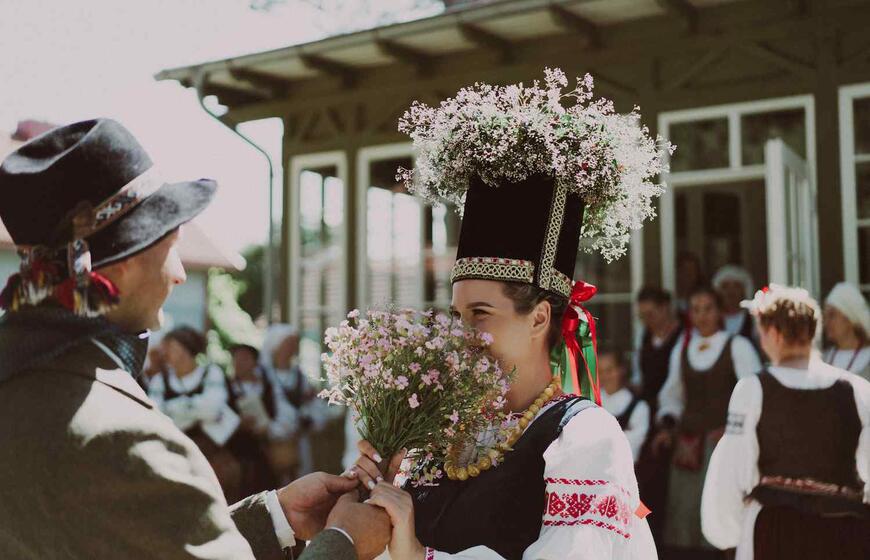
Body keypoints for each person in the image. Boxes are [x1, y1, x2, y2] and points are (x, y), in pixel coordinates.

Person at [0, 119, 388, 559]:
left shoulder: (24, 391)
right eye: (173, 247)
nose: (181, 273)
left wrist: (273, 518)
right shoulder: (122, 438)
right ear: (125, 261)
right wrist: (343, 543)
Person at [352, 160, 657, 556]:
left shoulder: (584, 435)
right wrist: (378, 489)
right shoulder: (440, 433)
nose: (462, 334)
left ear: (539, 318)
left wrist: (417, 554)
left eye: (480, 313)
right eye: (457, 315)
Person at [702, 284, 870, 559]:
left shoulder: (752, 389)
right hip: (843, 531)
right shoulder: (858, 390)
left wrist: (728, 533)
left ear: (774, 334)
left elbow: (733, 467)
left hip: (777, 531)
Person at [651, 285, 762, 559]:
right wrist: (668, 426)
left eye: (708, 309)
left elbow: (755, 392)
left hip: (721, 445)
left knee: (719, 514)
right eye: (696, 310)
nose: (702, 316)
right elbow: (672, 394)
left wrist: (733, 428)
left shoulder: (737, 345)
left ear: (720, 311)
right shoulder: (683, 347)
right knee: (685, 516)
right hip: (688, 446)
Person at [148, 326, 246, 499]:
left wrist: (174, 410)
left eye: (170, 347)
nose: (164, 352)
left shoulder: (211, 373)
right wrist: (196, 409)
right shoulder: (159, 380)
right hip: (173, 448)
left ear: (185, 350)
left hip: (212, 449)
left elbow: (212, 409)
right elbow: (155, 416)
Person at [261, 323, 329, 478]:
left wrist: (308, 419)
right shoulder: (263, 376)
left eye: (293, 344)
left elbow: (315, 408)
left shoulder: (299, 376)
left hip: (298, 442)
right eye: (287, 344)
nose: (291, 349)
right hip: (270, 443)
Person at [633, 286, 683, 413]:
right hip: (648, 407)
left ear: (664, 308)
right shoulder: (643, 336)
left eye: (650, 314)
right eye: (642, 316)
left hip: (677, 407)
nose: (646, 320)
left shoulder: (684, 335)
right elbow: (638, 376)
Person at [599, 348, 650, 463]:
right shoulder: (589, 403)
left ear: (621, 370)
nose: (605, 376)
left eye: (609, 370)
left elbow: (629, 450)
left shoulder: (639, 408)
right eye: (600, 371)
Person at [822, 282, 870, 381]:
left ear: (849, 318)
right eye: (825, 316)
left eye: (832, 315)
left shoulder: (867, 358)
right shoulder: (822, 359)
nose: (826, 322)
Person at [712, 265, 758, 346]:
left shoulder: (754, 319)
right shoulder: (712, 319)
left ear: (744, 291)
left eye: (736, 286)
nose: (731, 292)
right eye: (725, 287)